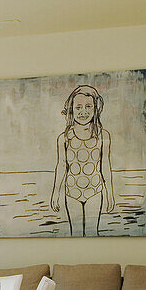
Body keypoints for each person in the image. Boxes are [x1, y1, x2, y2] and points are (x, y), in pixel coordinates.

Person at [50, 84, 114, 236]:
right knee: (75, 234)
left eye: (88, 106)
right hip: (72, 193)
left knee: (92, 233)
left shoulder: (103, 136)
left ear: (95, 109)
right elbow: (61, 166)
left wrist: (110, 193)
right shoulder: (63, 138)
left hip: (95, 192)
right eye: (78, 107)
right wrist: (55, 193)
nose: (83, 111)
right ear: (71, 109)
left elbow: (105, 165)